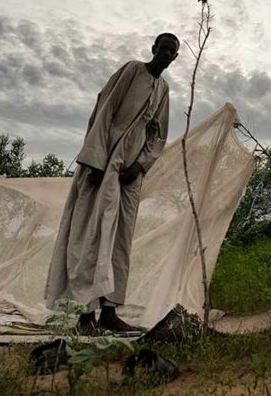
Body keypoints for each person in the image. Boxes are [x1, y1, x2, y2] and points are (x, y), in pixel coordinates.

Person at [45, 33, 178, 335]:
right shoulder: (133, 70)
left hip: (129, 174)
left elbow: (158, 135)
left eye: (173, 52)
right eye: (164, 49)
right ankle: (83, 315)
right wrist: (95, 161)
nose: (167, 55)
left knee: (120, 240)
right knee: (90, 236)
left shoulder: (163, 89)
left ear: (175, 58)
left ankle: (108, 312)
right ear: (153, 49)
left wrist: (140, 165)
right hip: (102, 166)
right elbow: (104, 110)